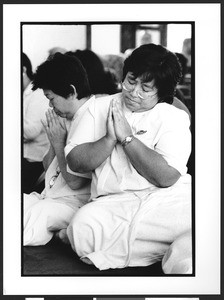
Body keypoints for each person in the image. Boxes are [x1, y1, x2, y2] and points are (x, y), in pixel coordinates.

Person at [61, 43, 192, 273]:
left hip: (165, 201)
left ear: (161, 92)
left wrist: (128, 139)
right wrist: (108, 140)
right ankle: (175, 247)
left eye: (146, 87)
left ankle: (179, 246)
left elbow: (167, 177)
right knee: (83, 227)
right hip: (113, 204)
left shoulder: (173, 117)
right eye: (131, 81)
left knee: (198, 212)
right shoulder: (97, 108)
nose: (134, 91)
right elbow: (74, 161)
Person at [23, 53, 93, 246]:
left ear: (71, 91)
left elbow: (75, 182)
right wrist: (54, 141)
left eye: (51, 98)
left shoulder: (91, 119)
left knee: (38, 214)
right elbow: (47, 166)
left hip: (74, 202)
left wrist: (59, 143)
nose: (50, 105)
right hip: (51, 194)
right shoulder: (66, 116)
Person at [22, 53, 50, 193]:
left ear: (23, 70)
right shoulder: (21, 92)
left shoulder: (37, 93)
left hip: (33, 161)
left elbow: (31, 131)